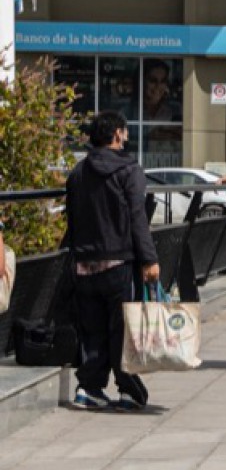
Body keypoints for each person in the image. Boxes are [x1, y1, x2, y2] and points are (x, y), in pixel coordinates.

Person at [61, 111, 159, 411]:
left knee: (92, 330)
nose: (127, 135)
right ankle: (128, 390)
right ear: (117, 133)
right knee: (122, 330)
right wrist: (149, 259)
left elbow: (73, 217)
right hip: (119, 262)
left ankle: (89, 388)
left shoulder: (78, 172)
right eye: (125, 130)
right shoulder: (130, 170)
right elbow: (137, 217)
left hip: (84, 263)